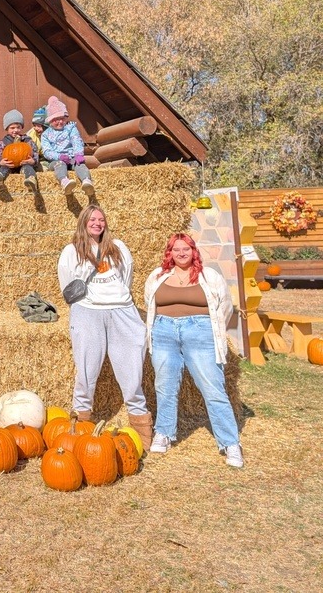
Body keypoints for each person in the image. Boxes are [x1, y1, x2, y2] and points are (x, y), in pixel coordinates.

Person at [144, 234, 243, 467]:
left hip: (200, 333)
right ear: (169, 253)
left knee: (212, 387)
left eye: (186, 249)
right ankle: (164, 432)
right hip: (164, 332)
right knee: (165, 384)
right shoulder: (157, 277)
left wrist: (207, 329)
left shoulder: (209, 277)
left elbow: (225, 307)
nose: (181, 253)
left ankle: (230, 443)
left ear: (193, 250)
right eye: (176, 249)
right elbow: (150, 302)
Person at [57, 205, 153, 449]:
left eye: (101, 219)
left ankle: (141, 426)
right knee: (86, 370)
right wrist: (84, 304)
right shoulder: (71, 251)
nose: (97, 223)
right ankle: (80, 426)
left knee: (131, 369)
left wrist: (117, 297)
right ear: (83, 222)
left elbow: (127, 277)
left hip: (121, 309)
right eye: (92, 219)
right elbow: (66, 282)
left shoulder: (118, 247)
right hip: (88, 310)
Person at [41, 95, 95, 196]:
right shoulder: (46, 134)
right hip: (57, 160)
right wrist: (59, 157)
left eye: (62, 118)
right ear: (50, 121)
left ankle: (86, 181)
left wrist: (78, 154)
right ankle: (64, 181)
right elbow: (47, 151)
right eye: (56, 120)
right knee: (59, 165)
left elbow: (76, 141)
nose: (60, 122)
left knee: (80, 165)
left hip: (72, 156)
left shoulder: (70, 128)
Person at [0, 109, 39, 195]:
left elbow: (35, 152)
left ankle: (30, 180)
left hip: (24, 164)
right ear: (7, 128)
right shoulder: (4, 142)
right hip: (9, 165)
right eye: (12, 128)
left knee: (28, 168)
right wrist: (0, 162)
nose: (15, 130)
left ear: (22, 127)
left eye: (18, 127)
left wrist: (34, 161)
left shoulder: (27, 140)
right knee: (4, 169)